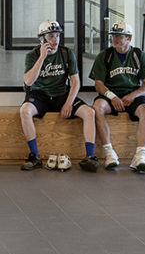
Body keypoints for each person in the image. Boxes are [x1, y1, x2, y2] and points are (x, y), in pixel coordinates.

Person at [19, 19, 96, 171]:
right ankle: (35, 156)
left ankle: (90, 157)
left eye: (57, 36)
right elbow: (28, 81)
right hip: (40, 95)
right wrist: (42, 57)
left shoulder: (66, 53)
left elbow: (76, 82)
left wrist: (69, 103)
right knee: (24, 111)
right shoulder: (32, 55)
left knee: (89, 112)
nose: (55, 40)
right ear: (42, 39)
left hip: (61, 95)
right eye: (51, 36)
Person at [90, 20, 145, 173]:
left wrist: (133, 95)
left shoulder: (138, 55)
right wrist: (112, 96)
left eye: (119, 36)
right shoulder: (105, 55)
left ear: (129, 38)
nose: (115, 39)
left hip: (132, 94)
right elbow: (98, 84)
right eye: (113, 36)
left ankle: (140, 156)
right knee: (97, 107)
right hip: (111, 94)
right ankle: (109, 153)